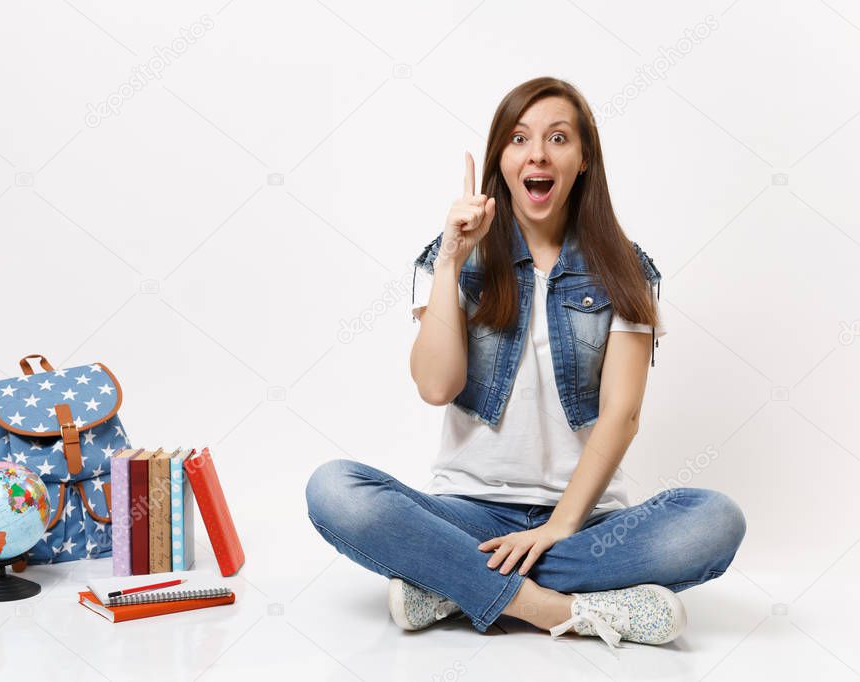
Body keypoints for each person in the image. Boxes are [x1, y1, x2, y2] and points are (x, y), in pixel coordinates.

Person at [304, 77, 746, 650]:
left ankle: (447, 583)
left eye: (558, 138)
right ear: (501, 159)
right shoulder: (451, 258)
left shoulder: (625, 269)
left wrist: (560, 524)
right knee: (334, 489)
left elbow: (622, 414)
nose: (537, 153)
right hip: (469, 515)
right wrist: (450, 264)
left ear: (583, 159)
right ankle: (560, 609)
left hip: (584, 525)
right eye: (519, 138)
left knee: (714, 520)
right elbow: (436, 386)